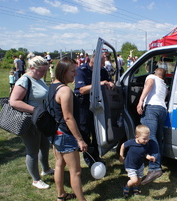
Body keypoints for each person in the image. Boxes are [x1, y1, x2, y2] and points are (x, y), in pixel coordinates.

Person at [9, 56, 54, 189]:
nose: (44, 73)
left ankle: (45, 169)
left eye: (45, 71)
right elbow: (14, 101)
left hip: (41, 120)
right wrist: (35, 110)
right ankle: (36, 180)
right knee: (32, 151)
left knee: (45, 145)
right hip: (30, 121)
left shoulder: (38, 79)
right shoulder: (24, 80)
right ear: (32, 68)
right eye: (41, 71)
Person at [49, 57, 88, 201]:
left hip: (56, 133)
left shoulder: (53, 86)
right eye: (73, 71)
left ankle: (61, 195)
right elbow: (68, 118)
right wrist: (80, 140)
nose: (75, 74)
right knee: (76, 171)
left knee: (59, 164)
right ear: (63, 71)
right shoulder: (65, 90)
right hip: (66, 134)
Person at [74, 53, 114, 168]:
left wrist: (110, 83)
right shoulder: (82, 70)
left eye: (103, 63)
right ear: (93, 60)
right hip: (84, 105)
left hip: (98, 105)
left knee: (97, 131)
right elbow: (81, 90)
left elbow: (109, 80)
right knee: (85, 131)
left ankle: (96, 156)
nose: (103, 65)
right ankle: (89, 158)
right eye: (101, 63)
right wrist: (98, 84)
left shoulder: (102, 70)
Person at [136, 68, 168, 185]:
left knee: (150, 137)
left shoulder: (151, 77)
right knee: (159, 139)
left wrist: (140, 100)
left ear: (155, 73)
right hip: (162, 110)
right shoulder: (164, 85)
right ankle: (158, 163)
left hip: (151, 108)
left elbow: (149, 84)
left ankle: (154, 168)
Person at [119, 125, 156, 197]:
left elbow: (145, 153)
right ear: (137, 137)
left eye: (148, 138)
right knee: (134, 180)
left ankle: (135, 187)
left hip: (139, 165)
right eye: (144, 139)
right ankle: (126, 186)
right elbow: (123, 145)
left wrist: (149, 157)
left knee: (139, 181)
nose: (146, 140)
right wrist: (121, 156)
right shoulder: (132, 143)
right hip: (130, 165)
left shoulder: (146, 144)